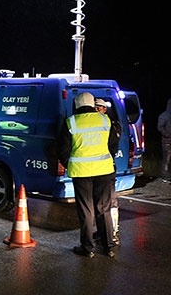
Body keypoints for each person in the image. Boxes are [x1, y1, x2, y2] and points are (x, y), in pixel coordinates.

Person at [58, 92, 119, 258]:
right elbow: (113, 145)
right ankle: (109, 247)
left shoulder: (71, 122)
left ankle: (87, 247)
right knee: (104, 209)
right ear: (92, 105)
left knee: (86, 211)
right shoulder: (105, 120)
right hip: (104, 171)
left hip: (81, 172)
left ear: (76, 105)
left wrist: (69, 163)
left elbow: (63, 150)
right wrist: (106, 159)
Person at [94, 98, 121, 245]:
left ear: (104, 109)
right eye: (94, 107)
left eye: (99, 108)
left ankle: (113, 232)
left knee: (110, 202)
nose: (96, 110)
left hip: (106, 167)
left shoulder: (110, 124)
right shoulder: (99, 124)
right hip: (98, 168)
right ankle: (102, 232)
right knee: (101, 204)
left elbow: (112, 148)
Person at [157, 98, 171, 184]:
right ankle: (165, 177)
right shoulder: (164, 116)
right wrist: (167, 135)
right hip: (167, 142)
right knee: (166, 159)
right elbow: (160, 127)